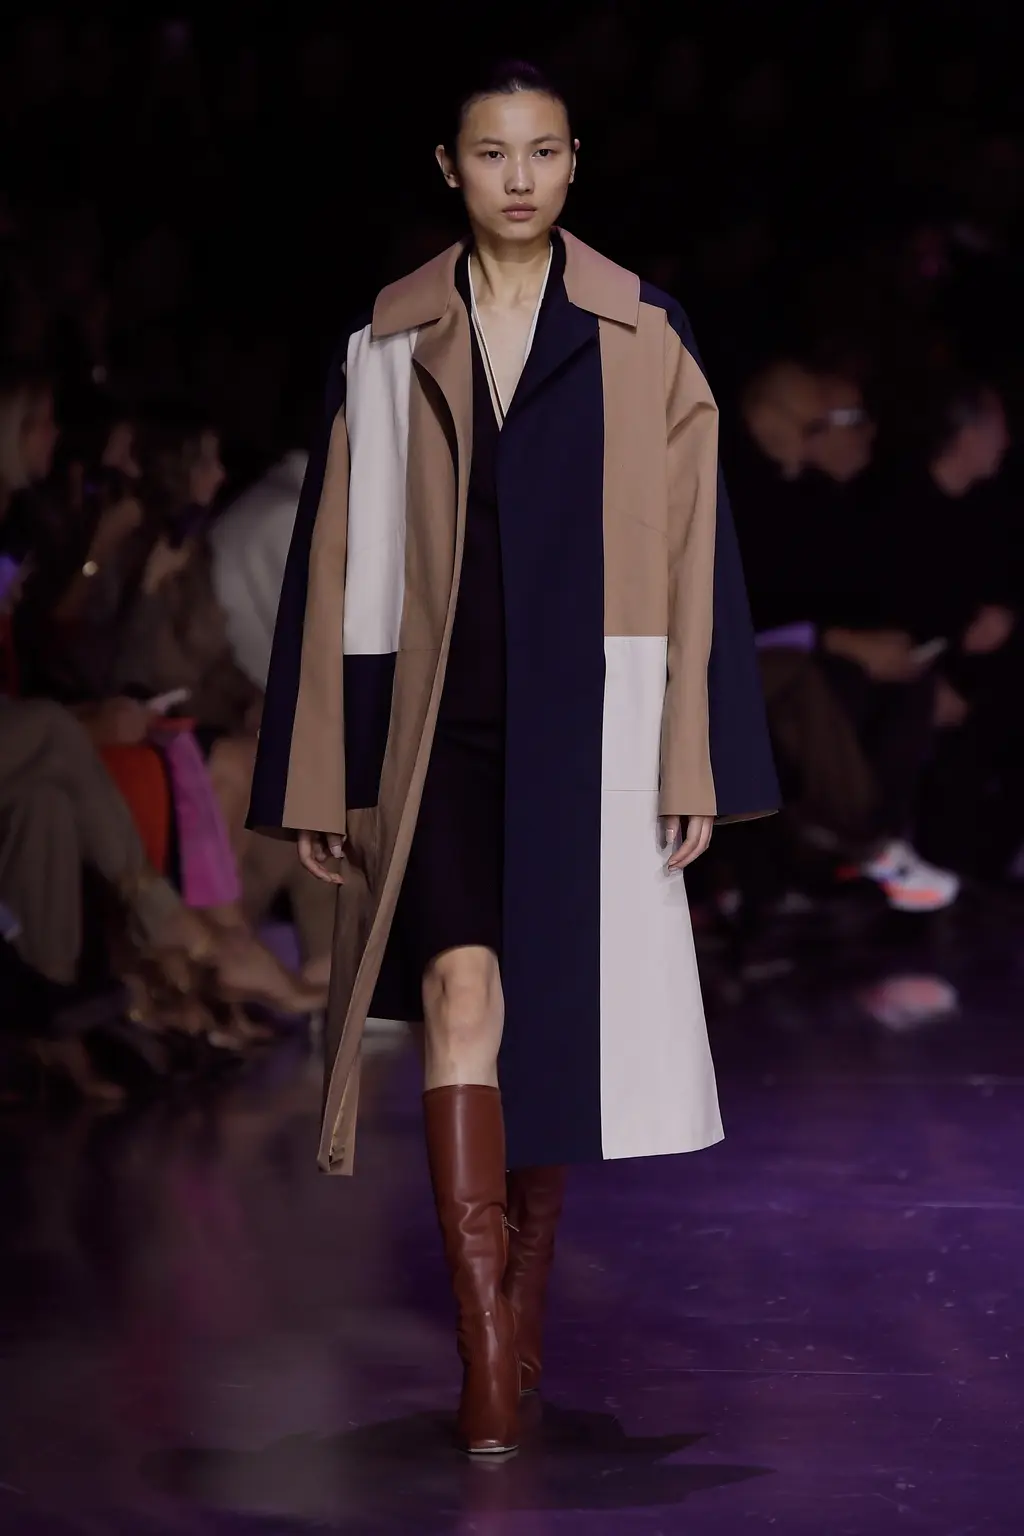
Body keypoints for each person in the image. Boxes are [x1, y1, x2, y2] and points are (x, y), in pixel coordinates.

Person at [248, 60, 778, 1455]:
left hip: (589, 720)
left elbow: (697, 554)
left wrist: (694, 757)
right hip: (433, 727)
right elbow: (331, 567)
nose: (521, 177)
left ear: (575, 161)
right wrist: (324, 770)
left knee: (546, 1017)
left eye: (543, 152)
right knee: (460, 993)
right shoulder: (385, 341)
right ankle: (486, 1348)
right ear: (450, 168)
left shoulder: (642, 332)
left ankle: (522, 1297)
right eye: (493, 153)